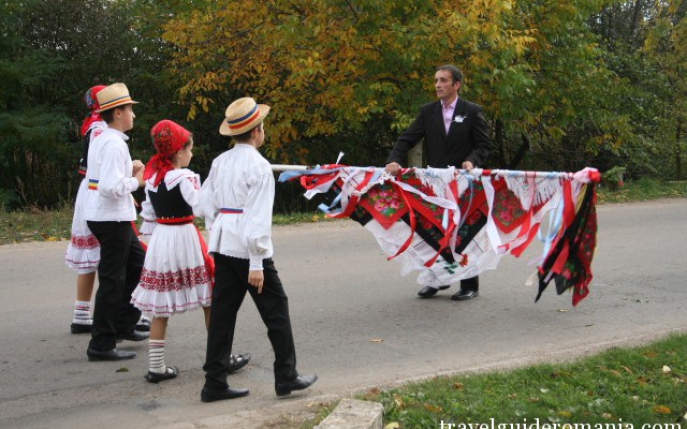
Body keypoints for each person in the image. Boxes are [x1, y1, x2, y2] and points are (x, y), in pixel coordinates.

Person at [199, 97, 317, 402]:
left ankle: (214, 382)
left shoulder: (220, 162)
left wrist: (219, 230)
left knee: (223, 315)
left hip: (224, 245)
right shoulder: (260, 167)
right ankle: (286, 376)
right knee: (276, 310)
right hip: (248, 251)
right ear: (256, 132)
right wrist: (256, 262)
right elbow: (258, 219)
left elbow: (205, 204)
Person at [130, 120, 250, 383]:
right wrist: (214, 189)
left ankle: (156, 367)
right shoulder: (184, 177)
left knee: (160, 304)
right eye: (190, 149)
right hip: (184, 237)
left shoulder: (152, 179)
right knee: (209, 297)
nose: (192, 154)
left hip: (162, 240)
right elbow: (199, 206)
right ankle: (221, 358)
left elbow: (148, 214)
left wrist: (154, 249)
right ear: (178, 152)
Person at [385, 64, 493, 301]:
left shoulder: (472, 111)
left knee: (464, 233)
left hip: (464, 184)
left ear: (457, 84)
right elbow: (406, 139)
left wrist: (471, 162)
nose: (438, 85)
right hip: (435, 185)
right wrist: (394, 161)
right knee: (433, 231)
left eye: (443, 80)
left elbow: (483, 145)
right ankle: (437, 279)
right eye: (436, 80)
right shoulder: (428, 112)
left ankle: (469, 284)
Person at [66, 85, 152, 335]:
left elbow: (101, 175)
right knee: (113, 278)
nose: (133, 115)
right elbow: (108, 185)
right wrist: (138, 181)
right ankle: (103, 339)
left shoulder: (104, 137)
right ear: (116, 113)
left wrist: (128, 173)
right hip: (110, 216)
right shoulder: (112, 142)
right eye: (129, 110)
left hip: (109, 213)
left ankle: (123, 323)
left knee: (137, 266)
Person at [65, 85, 107, 334]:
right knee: (111, 257)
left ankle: (81, 314)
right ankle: (127, 314)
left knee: (91, 256)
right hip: (98, 192)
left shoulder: (92, 126)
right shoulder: (100, 130)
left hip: (89, 189)